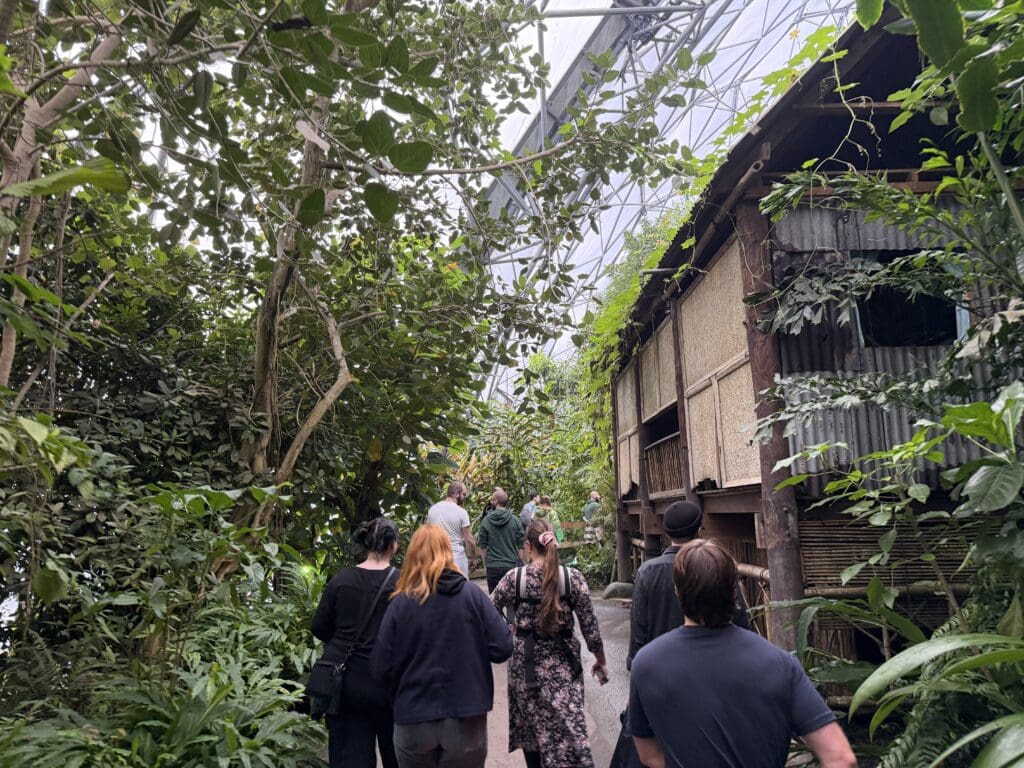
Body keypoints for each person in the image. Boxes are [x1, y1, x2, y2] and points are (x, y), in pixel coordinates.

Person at [629, 539, 857, 768]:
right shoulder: (779, 664)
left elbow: (648, 754)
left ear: (677, 591)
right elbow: (841, 758)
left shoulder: (647, 664)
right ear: (734, 590)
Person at [372, 524, 513, 768]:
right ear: (448, 552)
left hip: (413, 718)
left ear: (412, 555)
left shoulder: (400, 603)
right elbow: (502, 647)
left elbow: (380, 668)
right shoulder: (471, 595)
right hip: (466, 718)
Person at [492, 519, 608, 768]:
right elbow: (590, 628)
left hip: (525, 666)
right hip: (564, 665)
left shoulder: (515, 578)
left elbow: (488, 610)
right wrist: (601, 660)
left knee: (532, 731)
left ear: (528, 546)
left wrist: (507, 630)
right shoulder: (572, 578)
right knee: (568, 729)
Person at [311, 517, 401, 768]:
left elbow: (319, 627)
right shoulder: (404, 583)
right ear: (393, 545)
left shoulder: (340, 580)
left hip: (346, 683)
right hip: (390, 684)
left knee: (350, 759)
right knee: (398, 755)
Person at [627, 500, 749, 668]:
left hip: (661, 669)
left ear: (667, 533)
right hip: (715, 667)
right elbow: (739, 618)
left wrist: (636, 663)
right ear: (699, 530)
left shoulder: (647, 572)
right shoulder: (717, 564)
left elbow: (639, 629)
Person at [477, 489, 525, 593]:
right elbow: (521, 545)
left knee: (494, 603)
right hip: (511, 566)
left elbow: (483, 547)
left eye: (492, 500)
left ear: (495, 501)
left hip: (493, 566)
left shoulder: (486, 521)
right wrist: (521, 562)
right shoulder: (515, 521)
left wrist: (486, 565)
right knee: (512, 602)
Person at [427, 481, 477, 576]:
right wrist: (473, 559)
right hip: (456, 559)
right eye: (463, 494)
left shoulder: (432, 510)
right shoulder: (461, 512)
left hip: (437, 558)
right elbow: (469, 540)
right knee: (461, 588)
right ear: (456, 493)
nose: (464, 497)